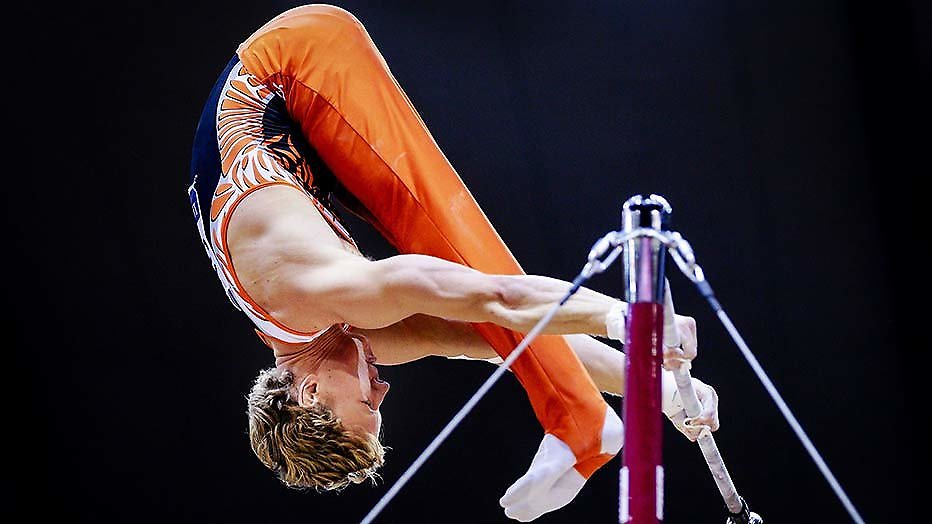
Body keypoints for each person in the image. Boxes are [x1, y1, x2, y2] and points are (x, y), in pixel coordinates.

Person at [187, 4, 720, 521]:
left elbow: (496, 295)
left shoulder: (315, 292)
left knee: (439, 228)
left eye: (368, 406)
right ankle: (581, 416)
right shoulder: (348, 340)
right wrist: (656, 389)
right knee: (482, 313)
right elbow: (501, 336)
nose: (383, 391)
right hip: (305, 144)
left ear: (309, 394)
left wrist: (634, 320)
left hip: (288, 65)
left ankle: (577, 418)